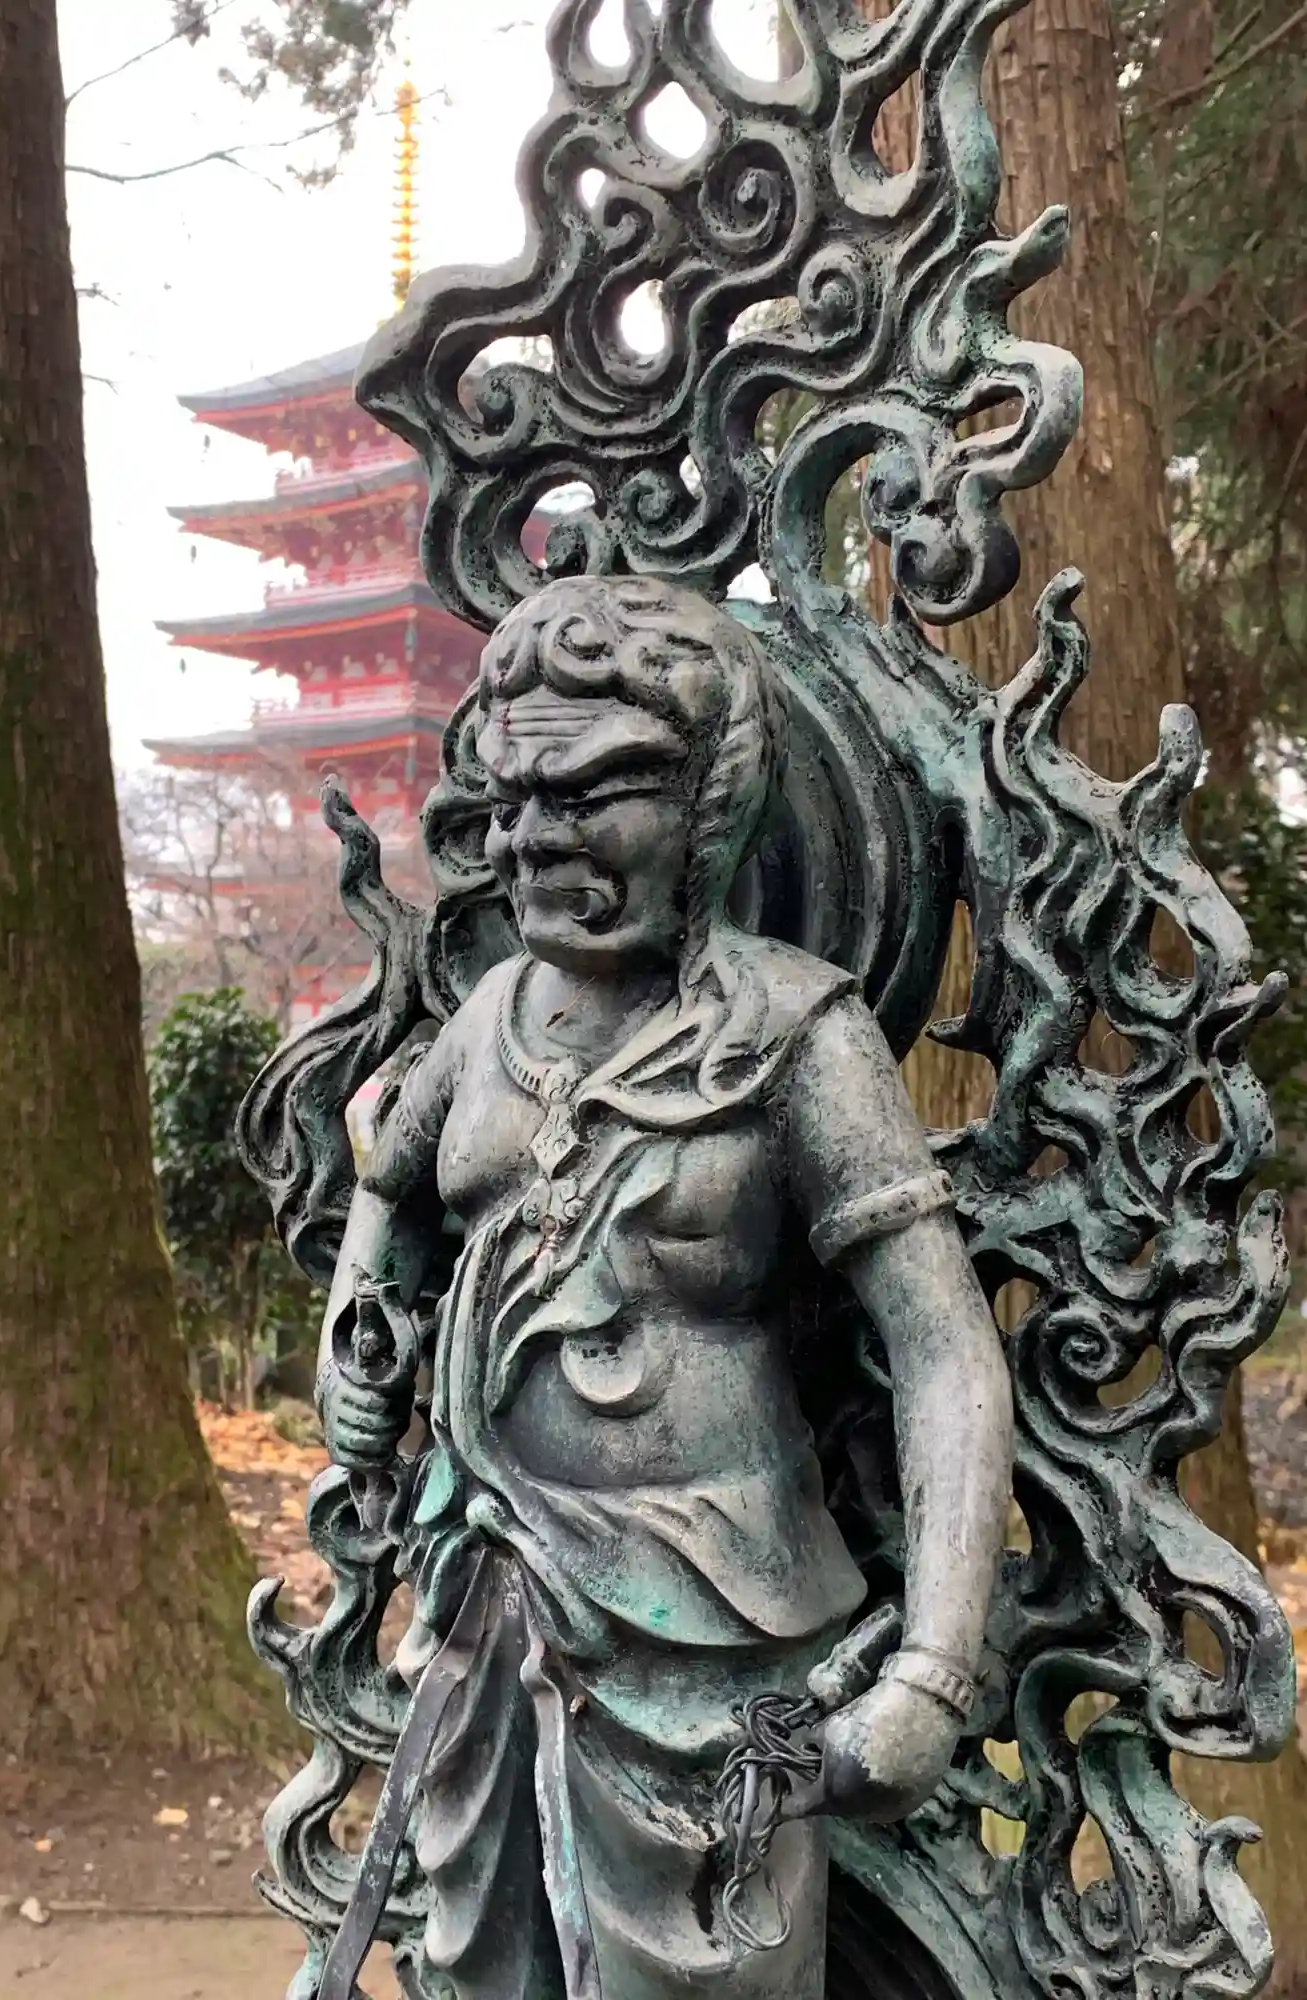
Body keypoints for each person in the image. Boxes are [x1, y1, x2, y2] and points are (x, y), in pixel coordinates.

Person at [316, 573, 1012, 2000]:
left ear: (714, 797)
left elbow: (943, 1349)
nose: (537, 839)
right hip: (488, 1604)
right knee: (483, 1970)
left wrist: (933, 1672)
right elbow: (387, 1192)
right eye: (514, 800)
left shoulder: (798, 1035)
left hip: (721, 1641)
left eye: (589, 794)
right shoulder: (487, 1022)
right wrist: (355, 1339)